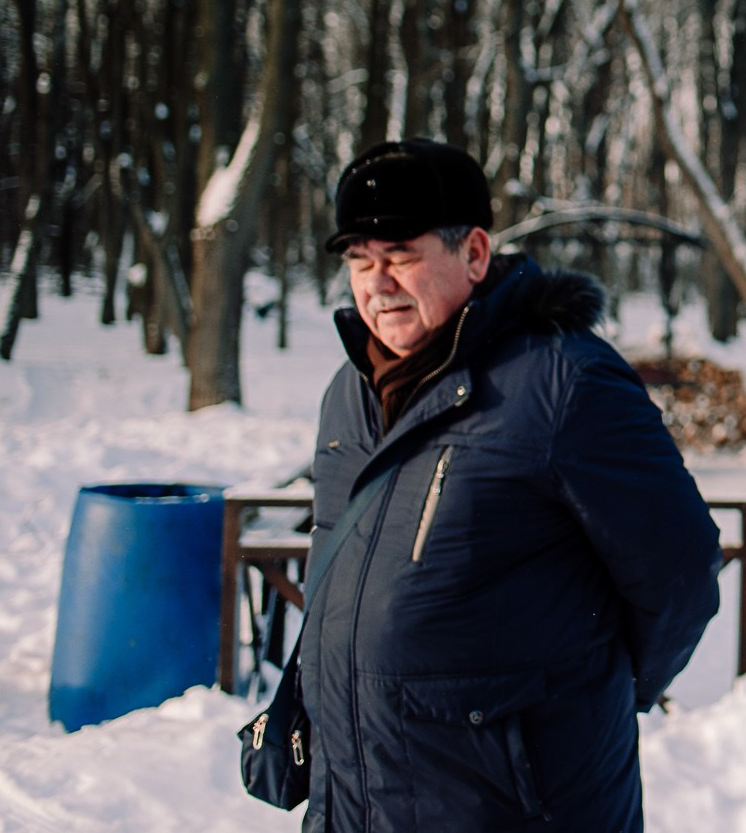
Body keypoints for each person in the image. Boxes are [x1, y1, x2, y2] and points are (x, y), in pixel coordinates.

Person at [299, 139, 721, 832]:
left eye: (401, 255)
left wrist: (594, 695)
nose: (377, 282)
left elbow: (679, 570)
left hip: (512, 806)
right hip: (360, 800)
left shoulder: (564, 383)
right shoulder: (349, 393)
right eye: (359, 260)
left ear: (474, 253)